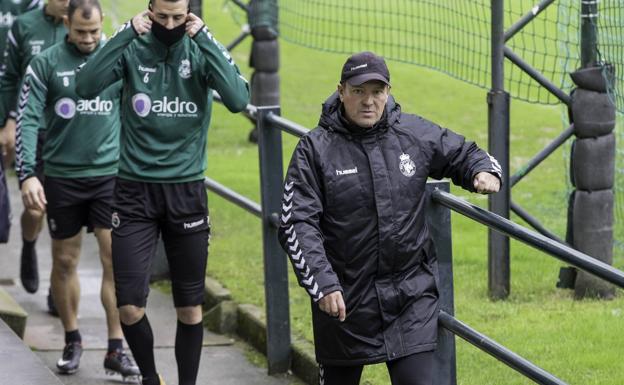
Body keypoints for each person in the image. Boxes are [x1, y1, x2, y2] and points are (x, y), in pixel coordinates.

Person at [277, 51, 502, 385]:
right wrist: (322, 283)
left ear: (388, 91)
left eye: (377, 92)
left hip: (411, 299)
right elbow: (296, 222)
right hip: (344, 302)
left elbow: (464, 152)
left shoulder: (412, 133)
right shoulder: (314, 150)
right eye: (358, 92)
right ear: (341, 92)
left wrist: (481, 171)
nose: (369, 101)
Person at [75, 1, 249, 384]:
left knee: (189, 309)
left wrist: (204, 37)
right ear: (149, 10)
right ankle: (151, 379)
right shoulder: (133, 47)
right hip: (134, 193)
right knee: (130, 307)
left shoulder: (200, 48)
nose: (168, 25)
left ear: (190, 13)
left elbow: (239, 100)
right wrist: (124, 34)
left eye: (178, 17)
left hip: (186, 193)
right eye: (161, 17)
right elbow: (84, 85)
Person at [16, 0, 140, 379]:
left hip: (108, 176)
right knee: (65, 261)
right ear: (67, 23)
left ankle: (116, 348)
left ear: (103, 24)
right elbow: (28, 117)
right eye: (80, 32)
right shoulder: (46, 63)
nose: (88, 39)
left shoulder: (117, 58)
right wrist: (27, 174)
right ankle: (72, 340)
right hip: (62, 176)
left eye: (95, 31)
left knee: (113, 261)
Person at [0, 0, 67, 310]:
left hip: (70, 132)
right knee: (37, 210)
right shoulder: (25, 25)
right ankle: (29, 245)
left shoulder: (82, 23)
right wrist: (9, 121)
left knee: (66, 218)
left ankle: (59, 287)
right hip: (34, 128)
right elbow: (10, 77)